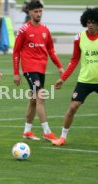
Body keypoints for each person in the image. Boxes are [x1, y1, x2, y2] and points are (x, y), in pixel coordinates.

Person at [12, 0, 64, 142]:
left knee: (34, 100)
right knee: (41, 96)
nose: (38, 14)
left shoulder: (45, 30)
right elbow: (16, 52)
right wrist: (16, 72)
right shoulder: (23, 30)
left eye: (40, 11)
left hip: (41, 69)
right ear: (30, 13)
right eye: (35, 11)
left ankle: (27, 131)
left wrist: (59, 66)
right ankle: (47, 131)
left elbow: (51, 51)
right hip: (30, 68)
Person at [52, 8, 98, 146]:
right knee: (72, 107)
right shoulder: (79, 38)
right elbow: (74, 60)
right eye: (88, 22)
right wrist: (63, 78)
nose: (90, 25)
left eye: (93, 22)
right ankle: (62, 138)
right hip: (85, 81)